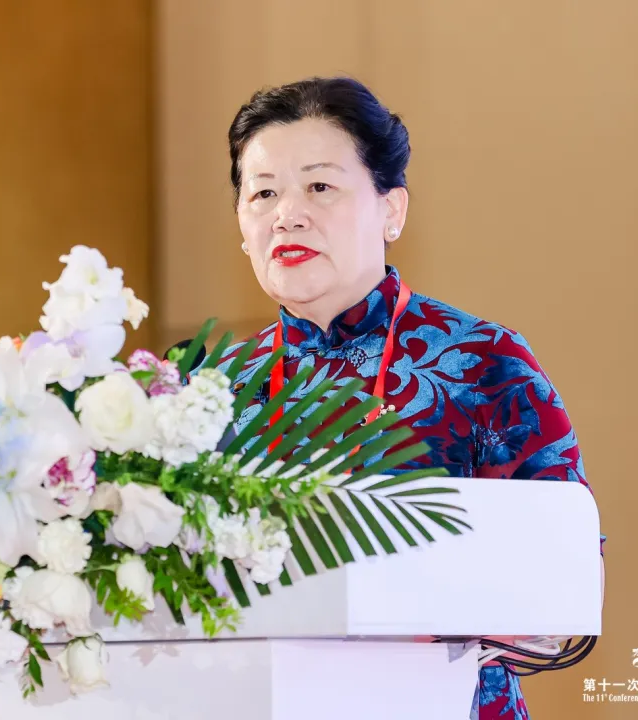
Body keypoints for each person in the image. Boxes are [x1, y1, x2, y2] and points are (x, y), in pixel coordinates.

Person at [211, 76, 604, 720]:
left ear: (391, 210)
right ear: (242, 226)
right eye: (263, 193)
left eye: (319, 187)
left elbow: (567, 569)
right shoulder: (209, 393)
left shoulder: (483, 361)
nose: (288, 214)